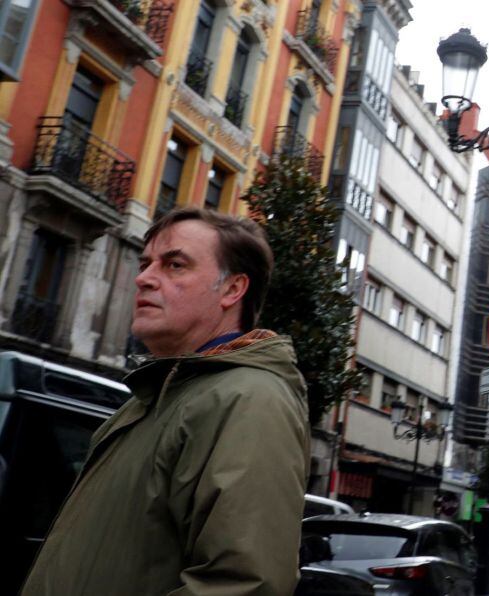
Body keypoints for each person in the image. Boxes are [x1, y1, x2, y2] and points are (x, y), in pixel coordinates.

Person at [21, 208, 310, 595]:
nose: (143, 278)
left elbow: (242, 584)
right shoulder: (151, 400)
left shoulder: (250, 401)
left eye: (174, 264)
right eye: (145, 264)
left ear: (232, 289)